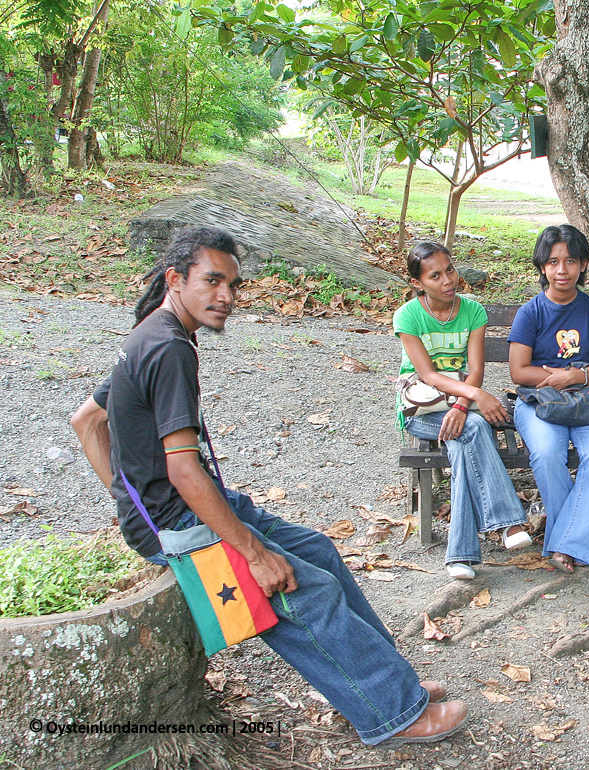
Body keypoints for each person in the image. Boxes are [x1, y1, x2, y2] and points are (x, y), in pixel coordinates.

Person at [70, 226, 467, 746]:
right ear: (175, 279)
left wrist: (131, 504)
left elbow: (87, 422)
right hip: (183, 525)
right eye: (213, 282)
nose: (226, 297)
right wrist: (247, 552)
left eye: (233, 285)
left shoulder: (150, 331)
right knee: (305, 591)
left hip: (189, 508)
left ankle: (384, 684)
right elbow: (183, 471)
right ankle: (394, 713)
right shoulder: (168, 348)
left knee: (318, 553)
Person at [394, 242, 531, 580]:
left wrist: (461, 403)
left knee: (463, 441)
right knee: (474, 428)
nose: (447, 280)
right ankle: (509, 522)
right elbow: (427, 375)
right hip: (422, 411)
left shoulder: (472, 311)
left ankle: (461, 556)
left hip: (462, 406)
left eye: (450, 270)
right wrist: (474, 397)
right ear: (418, 283)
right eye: (435, 275)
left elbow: (476, 369)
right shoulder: (408, 316)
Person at [508, 225, 589, 574]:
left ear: (583, 264)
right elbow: (518, 371)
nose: (562, 270)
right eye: (553, 262)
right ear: (543, 267)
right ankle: (569, 543)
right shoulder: (531, 312)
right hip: (538, 402)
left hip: (586, 401)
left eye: (570, 261)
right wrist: (554, 380)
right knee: (546, 453)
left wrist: (575, 377)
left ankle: (562, 541)